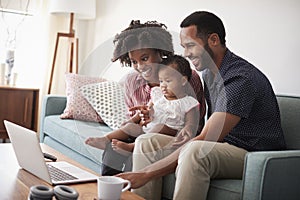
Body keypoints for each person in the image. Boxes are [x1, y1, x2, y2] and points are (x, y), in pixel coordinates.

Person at [116, 11, 286, 200]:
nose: (186, 54)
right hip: (224, 145)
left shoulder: (240, 79)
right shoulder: (209, 73)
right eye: (184, 47)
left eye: (190, 46)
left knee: (195, 151)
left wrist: (146, 173)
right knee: (148, 142)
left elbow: (207, 137)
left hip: (254, 155)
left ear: (213, 40)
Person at [99, 20, 206, 176]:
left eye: (144, 58)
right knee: (112, 151)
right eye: (133, 62)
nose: (140, 67)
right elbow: (133, 123)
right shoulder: (131, 82)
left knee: (134, 159)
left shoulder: (187, 77)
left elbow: (196, 121)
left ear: (160, 52)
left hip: (169, 138)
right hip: (142, 134)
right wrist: (142, 119)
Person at [85, 55, 199, 155]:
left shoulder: (188, 102)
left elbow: (192, 123)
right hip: (147, 129)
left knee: (159, 127)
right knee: (130, 127)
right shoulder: (158, 94)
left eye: (168, 81)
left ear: (183, 81)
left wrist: (189, 128)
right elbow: (146, 110)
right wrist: (136, 118)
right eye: (161, 81)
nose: (163, 85)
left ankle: (131, 148)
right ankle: (106, 139)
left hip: (169, 134)